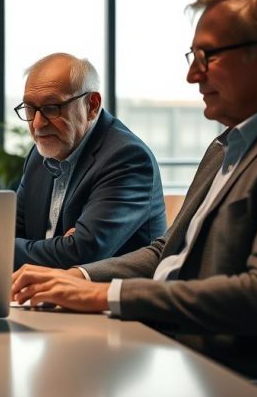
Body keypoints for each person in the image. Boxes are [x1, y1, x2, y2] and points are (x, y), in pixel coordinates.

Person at [11, 0, 257, 381]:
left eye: (209, 56)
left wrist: (108, 294)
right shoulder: (226, 145)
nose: (193, 76)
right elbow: (166, 251)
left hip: (239, 377)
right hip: (174, 346)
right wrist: (78, 277)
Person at [12, 53, 166, 269]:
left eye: (51, 107)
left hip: (108, 298)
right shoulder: (40, 155)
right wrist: (59, 246)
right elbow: (8, 234)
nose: (37, 124)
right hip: (43, 294)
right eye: (30, 108)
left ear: (92, 105)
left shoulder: (127, 157)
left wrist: (66, 247)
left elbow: (81, 253)